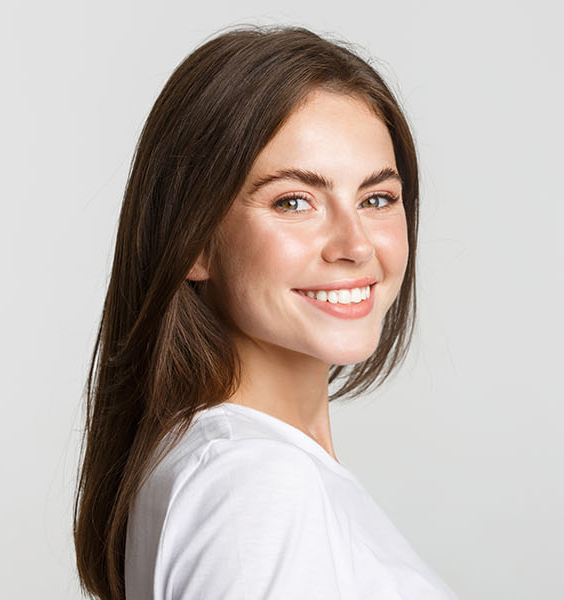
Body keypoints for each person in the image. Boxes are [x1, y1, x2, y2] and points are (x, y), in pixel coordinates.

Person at [73, 25, 459, 600]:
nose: (355, 244)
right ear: (196, 239)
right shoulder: (255, 485)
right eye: (294, 201)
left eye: (376, 198)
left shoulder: (240, 467)